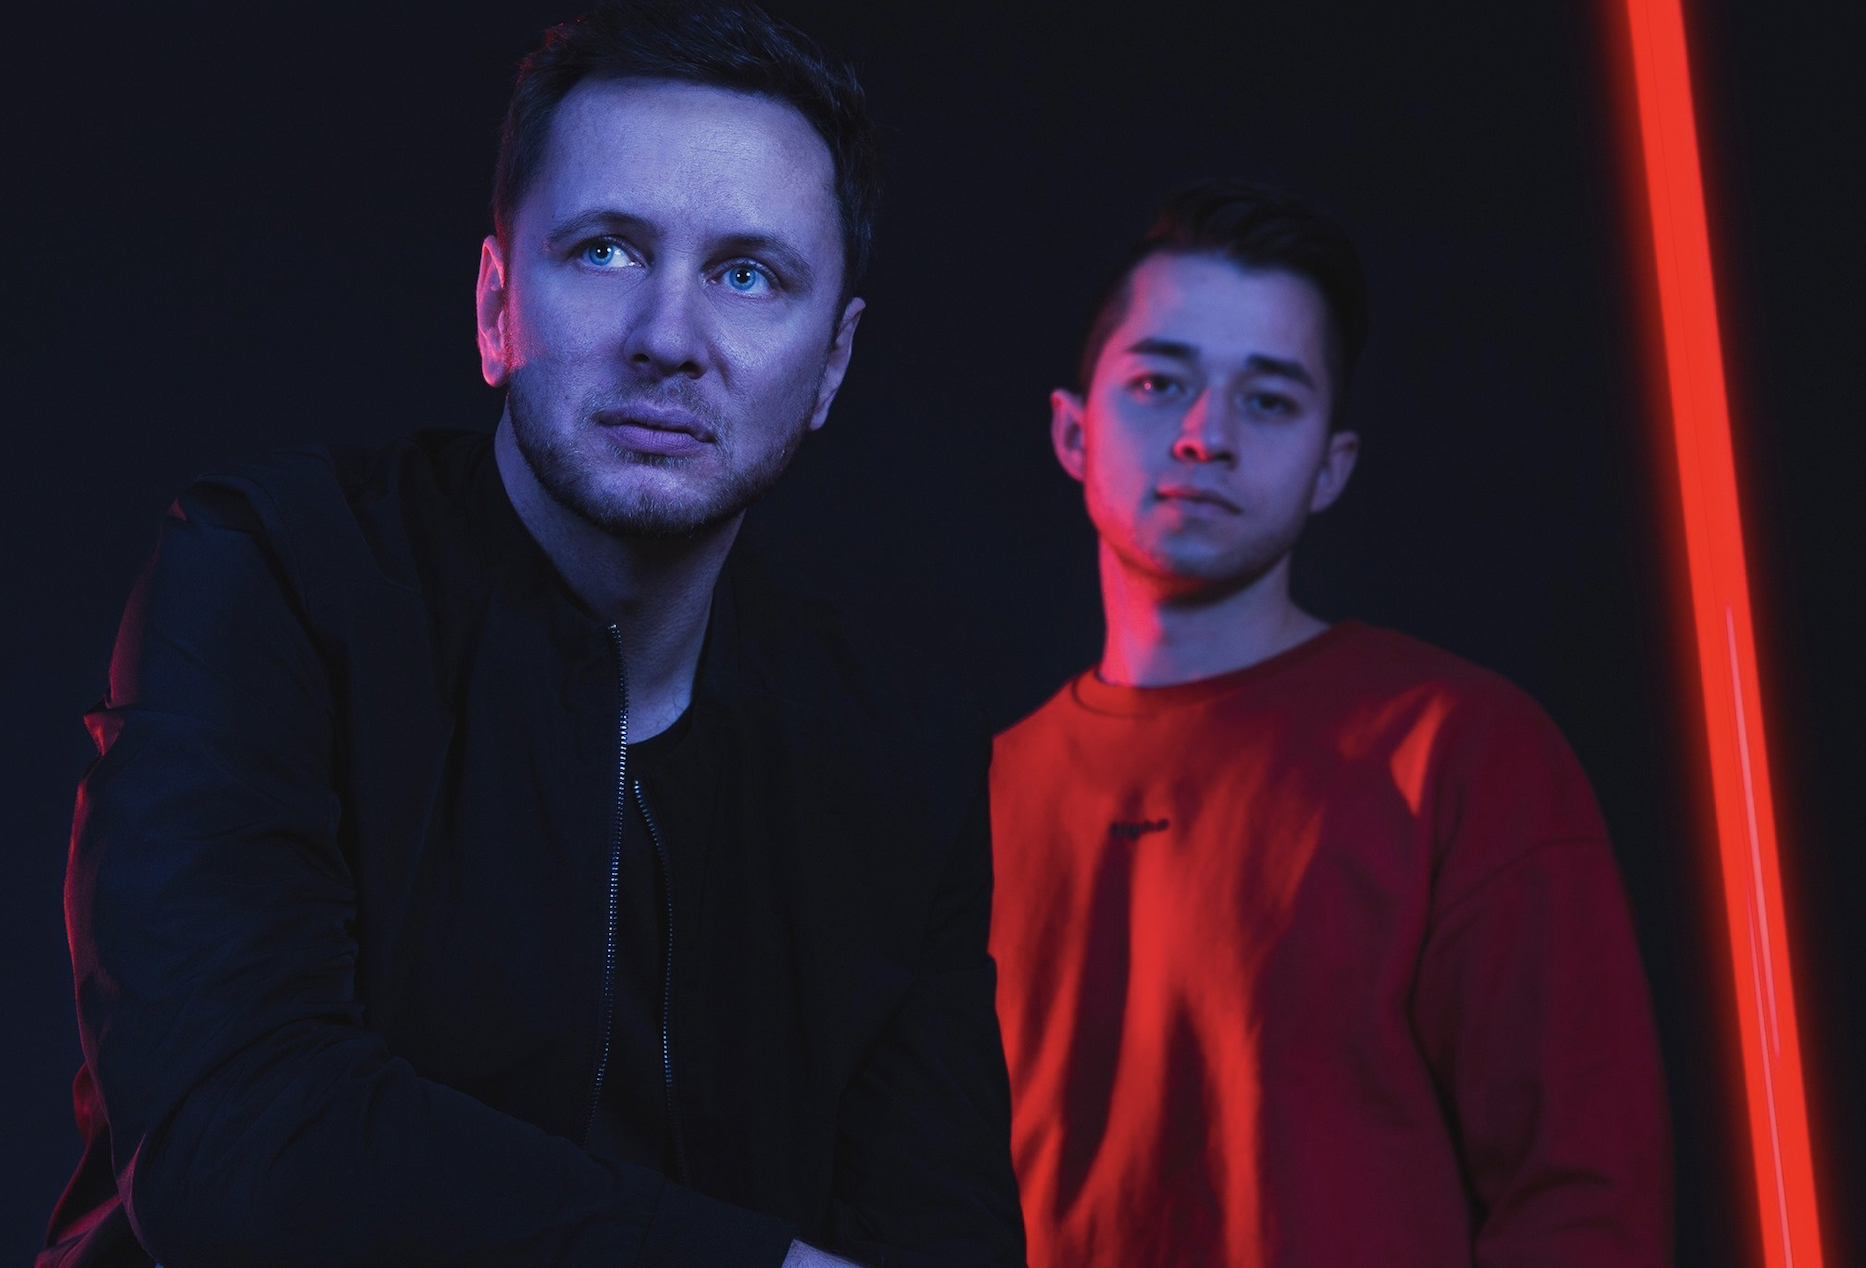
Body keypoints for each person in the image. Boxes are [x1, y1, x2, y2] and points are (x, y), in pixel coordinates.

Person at [41, 4, 1025, 1266]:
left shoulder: (896, 747)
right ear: (496, 304)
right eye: (607, 251)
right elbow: (237, 1144)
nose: (668, 339)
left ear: (831, 363)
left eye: (747, 275)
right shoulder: (271, 575)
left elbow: (942, 1234)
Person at [989, 181, 1671, 1265]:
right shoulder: (980, 796)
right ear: (1073, 432)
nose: (1206, 436)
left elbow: (1584, 1201)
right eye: (1160, 383)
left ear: (1330, 467)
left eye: (1269, 400)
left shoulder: (1462, 754)